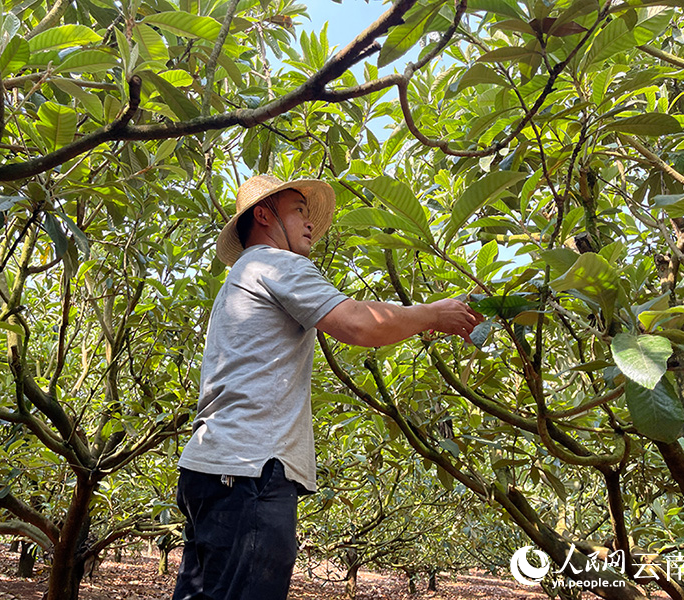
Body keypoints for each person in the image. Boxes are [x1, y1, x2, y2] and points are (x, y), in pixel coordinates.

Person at [172, 174, 483, 600]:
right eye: (298, 210)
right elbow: (356, 323)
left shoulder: (239, 279)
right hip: (251, 470)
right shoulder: (273, 263)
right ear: (264, 216)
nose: (309, 223)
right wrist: (432, 315)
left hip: (213, 470)